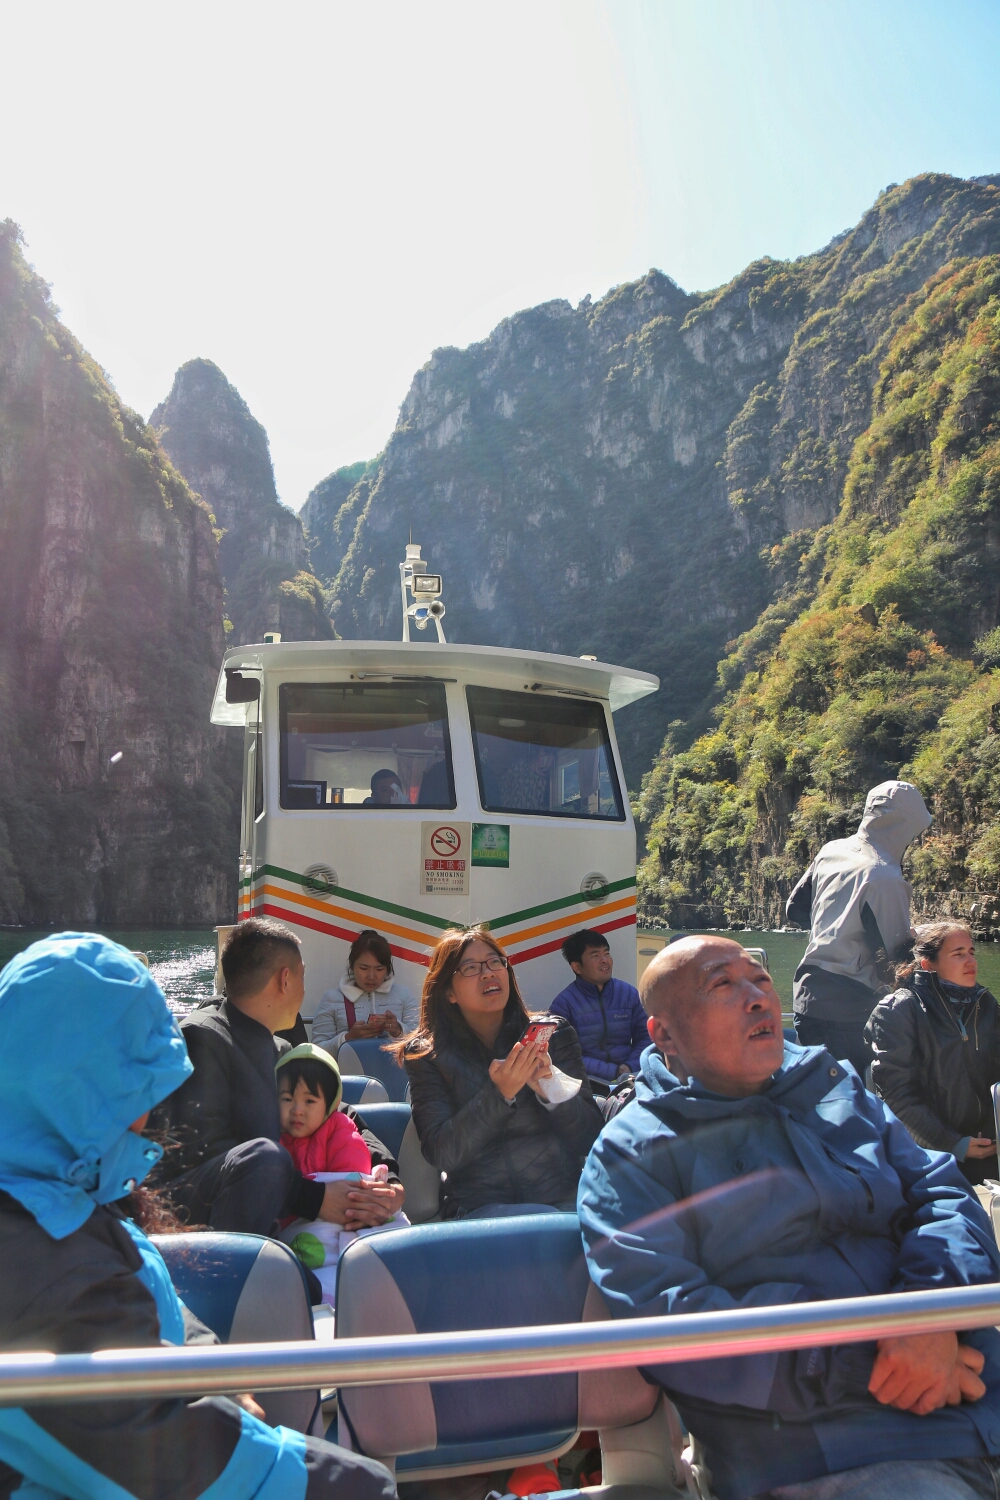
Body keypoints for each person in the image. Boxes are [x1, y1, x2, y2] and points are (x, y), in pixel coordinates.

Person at [578, 934, 1000, 1500]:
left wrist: (929, 1316)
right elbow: (675, 1323)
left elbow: (940, 1188)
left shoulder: (834, 1085)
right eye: (722, 985)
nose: (757, 997)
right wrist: (885, 1360)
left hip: (969, 1382)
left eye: (760, 979)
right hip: (822, 1449)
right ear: (665, 1035)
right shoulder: (631, 1156)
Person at [0, 931, 395, 1500]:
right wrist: (369, 1488)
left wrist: (210, 1369)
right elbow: (175, 1456)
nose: (148, 1118)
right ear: (84, 1095)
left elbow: (138, 1279)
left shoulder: (59, 1197)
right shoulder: (41, 1265)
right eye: (138, 1091)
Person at [150, 917, 406, 1239]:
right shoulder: (201, 1039)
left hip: (272, 1208)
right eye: (302, 975)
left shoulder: (280, 1048)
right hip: (195, 1224)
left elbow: (341, 1112)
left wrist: (389, 1180)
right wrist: (316, 1199)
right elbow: (208, 1156)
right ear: (286, 979)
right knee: (266, 1156)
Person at [396, 927, 604, 1218]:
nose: (488, 974)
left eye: (496, 962)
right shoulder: (428, 1056)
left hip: (560, 1205)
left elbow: (593, 1137)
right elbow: (441, 1152)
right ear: (448, 992)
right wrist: (499, 1094)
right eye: (470, 968)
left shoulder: (553, 1034)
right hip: (480, 1211)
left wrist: (552, 1091)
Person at [785, 779, 932, 1078]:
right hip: (849, 1009)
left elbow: (795, 909)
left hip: (807, 996)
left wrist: (838, 926)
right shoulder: (885, 878)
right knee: (854, 1102)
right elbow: (896, 960)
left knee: (823, 1099)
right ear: (904, 825)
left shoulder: (832, 850)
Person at [866, 923, 1000, 1186]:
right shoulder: (897, 1010)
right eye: (958, 953)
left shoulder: (986, 1004)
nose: (971, 960)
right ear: (928, 964)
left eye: (972, 951)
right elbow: (898, 1097)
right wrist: (954, 1144)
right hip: (931, 1156)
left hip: (991, 1149)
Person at [276, 1043, 408, 1304]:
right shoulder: (272, 1136)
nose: (297, 1110)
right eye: (287, 1099)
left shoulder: (339, 1126)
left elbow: (353, 1178)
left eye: (309, 1101)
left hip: (347, 1222)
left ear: (329, 1104)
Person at [550, 928, 648, 1085]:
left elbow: (647, 1037)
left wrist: (630, 1066)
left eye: (606, 953)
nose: (605, 960)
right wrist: (612, 1071)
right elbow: (562, 1055)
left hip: (632, 1077)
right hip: (588, 1083)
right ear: (577, 967)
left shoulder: (628, 993)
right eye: (595, 955)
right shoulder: (563, 1004)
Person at [312, 928, 419, 1054]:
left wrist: (398, 1030)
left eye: (379, 969)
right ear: (352, 966)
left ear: (387, 969)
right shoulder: (332, 999)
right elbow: (317, 1051)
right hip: (348, 1073)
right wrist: (348, 1038)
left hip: (395, 1073)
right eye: (364, 968)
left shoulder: (404, 995)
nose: (371, 976)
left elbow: (420, 1047)